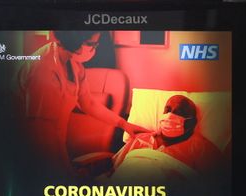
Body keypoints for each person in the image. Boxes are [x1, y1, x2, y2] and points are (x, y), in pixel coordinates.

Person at [17, 31, 148, 176]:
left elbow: (89, 103)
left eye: (96, 44)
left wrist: (124, 124)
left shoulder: (74, 65)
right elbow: (43, 133)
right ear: (73, 40)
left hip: (56, 146)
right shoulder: (43, 68)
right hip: (32, 150)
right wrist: (66, 173)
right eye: (90, 44)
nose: (93, 49)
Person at [110, 94, 223, 178]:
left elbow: (218, 184)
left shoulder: (200, 147)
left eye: (179, 112)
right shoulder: (140, 139)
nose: (170, 115)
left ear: (191, 122)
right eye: (168, 110)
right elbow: (113, 169)